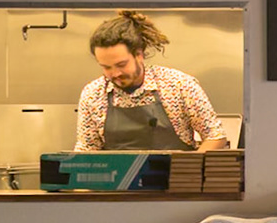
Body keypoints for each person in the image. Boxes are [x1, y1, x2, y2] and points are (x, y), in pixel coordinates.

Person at [73, 11, 230, 152]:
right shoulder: (93, 94)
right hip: (116, 182)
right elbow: (87, 148)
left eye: (121, 65)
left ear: (139, 54)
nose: (115, 74)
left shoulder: (179, 85)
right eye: (106, 67)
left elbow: (215, 136)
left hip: (174, 182)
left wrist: (189, 173)